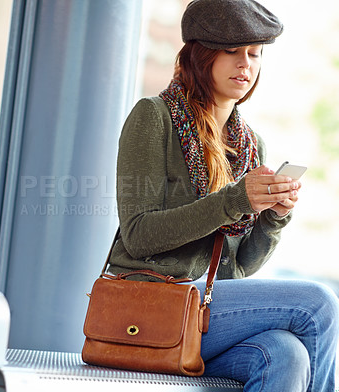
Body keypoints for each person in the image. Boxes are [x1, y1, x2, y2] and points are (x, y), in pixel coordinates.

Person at [107, 0, 339, 390]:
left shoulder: (250, 145)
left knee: (286, 354)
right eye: (231, 51)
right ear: (201, 55)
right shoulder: (153, 117)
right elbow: (138, 235)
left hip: (208, 311)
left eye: (254, 53)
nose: (245, 63)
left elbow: (239, 269)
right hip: (155, 305)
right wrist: (235, 200)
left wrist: (272, 218)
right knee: (320, 303)